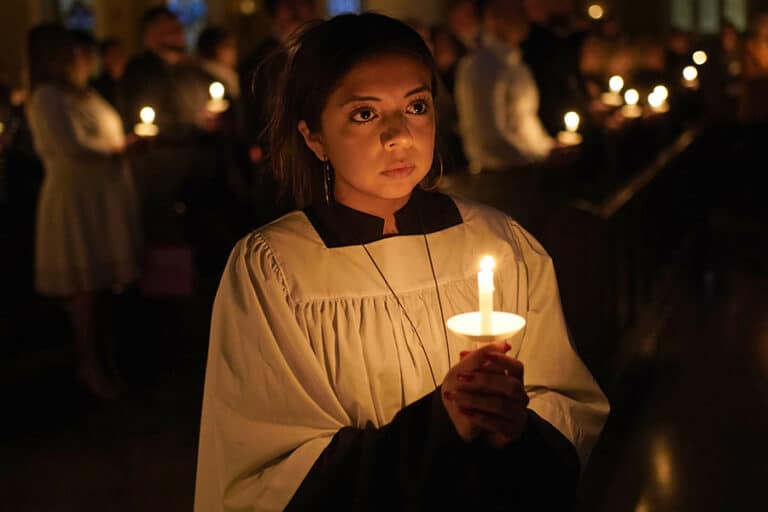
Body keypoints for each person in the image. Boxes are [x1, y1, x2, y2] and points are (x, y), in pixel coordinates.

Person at [195, 12, 609, 511]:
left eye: (416, 106)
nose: (399, 136)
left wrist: (512, 428)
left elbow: (566, 406)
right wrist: (438, 426)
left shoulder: (500, 241)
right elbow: (270, 472)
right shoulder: (275, 269)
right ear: (314, 136)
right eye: (364, 114)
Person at [25, 25, 142, 400]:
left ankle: (108, 357)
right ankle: (88, 364)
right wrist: (118, 150)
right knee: (83, 288)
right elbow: (70, 145)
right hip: (77, 201)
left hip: (100, 198)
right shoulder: (46, 97)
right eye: (78, 53)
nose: (87, 60)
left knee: (102, 285)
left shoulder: (86, 94)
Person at [455, 0, 556, 173]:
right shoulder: (482, 65)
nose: (525, 17)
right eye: (517, 10)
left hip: (527, 170)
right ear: (494, 16)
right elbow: (488, 139)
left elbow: (525, 121)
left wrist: (548, 147)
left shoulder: (517, 65)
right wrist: (539, 159)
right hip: (501, 177)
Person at [91, 38, 127, 107]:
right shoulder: (98, 88)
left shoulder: (133, 82)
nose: (118, 59)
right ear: (105, 59)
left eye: (120, 54)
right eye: (113, 55)